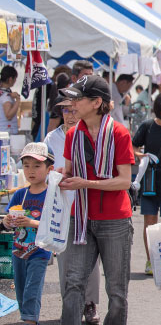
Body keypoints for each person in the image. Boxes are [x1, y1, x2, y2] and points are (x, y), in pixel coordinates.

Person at [59, 75, 135, 325]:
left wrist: (86, 183)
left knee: (116, 291)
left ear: (95, 103)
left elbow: (125, 181)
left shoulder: (120, 133)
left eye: (77, 99)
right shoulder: (73, 135)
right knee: (73, 282)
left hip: (115, 220)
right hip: (81, 217)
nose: (72, 105)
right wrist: (57, 177)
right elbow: (69, 172)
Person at [44, 97, 101, 324]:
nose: (69, 114)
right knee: (64, 259)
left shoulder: (91, 134)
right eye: (65, 110)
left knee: (91, 259)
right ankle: (70, 305)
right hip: (63, 207)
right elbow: (46, 167)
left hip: (87, 203)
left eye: (73, 109)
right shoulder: (52, 138)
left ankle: (90, 303)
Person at [2, 143, 55, 324]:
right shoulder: (20, 194)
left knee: (32, 290)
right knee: (21, 291)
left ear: (50, 169)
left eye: (37, 166)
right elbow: (7, 220)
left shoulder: (51, 195)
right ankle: (28, 318)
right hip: (18, 251)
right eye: (26, 165)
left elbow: (53, 224)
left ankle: (29, 321)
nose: (30, 170)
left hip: (39, 252)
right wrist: (7, 221)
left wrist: (31, 222)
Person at [131, 91, 161, 275]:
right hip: (150, 181)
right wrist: (139, 155)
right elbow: (133, 145)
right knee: (149, 223)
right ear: (159, 110)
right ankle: (151, 260)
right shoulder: (147, 126)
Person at [0, 65, 20, 134]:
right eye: (15, 79)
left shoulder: (2, 92)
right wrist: (18, 100)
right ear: (11, 79)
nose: (15, 81)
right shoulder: (6, 96)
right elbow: (9, 115)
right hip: (7, 132)